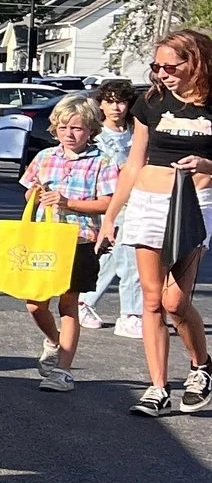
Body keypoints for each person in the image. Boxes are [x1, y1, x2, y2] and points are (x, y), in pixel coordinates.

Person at [99, 29, 212, 416]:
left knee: (175, 301)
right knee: (151, 300)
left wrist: (206, 164)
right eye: (156, 66)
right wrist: (111, 216)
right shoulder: (151, 103)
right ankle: (157, 386)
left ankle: (201, 365)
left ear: (195, 61)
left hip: (196, 204)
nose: (162, 73)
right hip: (148, 201)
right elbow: (134, 163)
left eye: (170, 66)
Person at [19, 95, 113, 392]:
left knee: (69, 303)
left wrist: (68, 203)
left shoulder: (102, 161)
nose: (69, 134)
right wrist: (35, 194)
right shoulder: (45, 157)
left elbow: (108, 203)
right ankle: (54, 341)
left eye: (77, 128)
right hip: (44, 238)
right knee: (35, 304)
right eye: (62, 128)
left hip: (79, 239)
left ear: (91, 130)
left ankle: (63, 370)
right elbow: (27, 193)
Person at [79, 78, 144, 338]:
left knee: (112, 257)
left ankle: (85, 301)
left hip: (138, 199)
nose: (116, 107)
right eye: (110, 101)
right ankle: (130, 314)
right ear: (101, 104)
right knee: (129, 258)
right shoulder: (98, 136)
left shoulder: (135, 131)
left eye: (122, 101)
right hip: (113, 202)